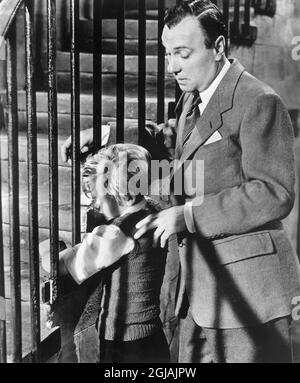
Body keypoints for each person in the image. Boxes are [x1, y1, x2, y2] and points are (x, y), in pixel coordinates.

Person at [61, 0, 300, 363]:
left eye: (183, 54)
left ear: (218, 47)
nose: (172, 66)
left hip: (250, 291)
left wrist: (189, 215)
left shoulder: (259, 101)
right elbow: (171, 139)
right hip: (199, 291)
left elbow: (273, 192)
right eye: (168, 53)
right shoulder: (193, 97)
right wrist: (105, 133)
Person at [45, 144, 169, 363]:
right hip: (152, 336)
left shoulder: (117, 232)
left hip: (123, 344)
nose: (96, 207)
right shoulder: (152, 208)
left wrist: (47, 249)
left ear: (122, 195)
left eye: (99, 199)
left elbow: (63, 265)